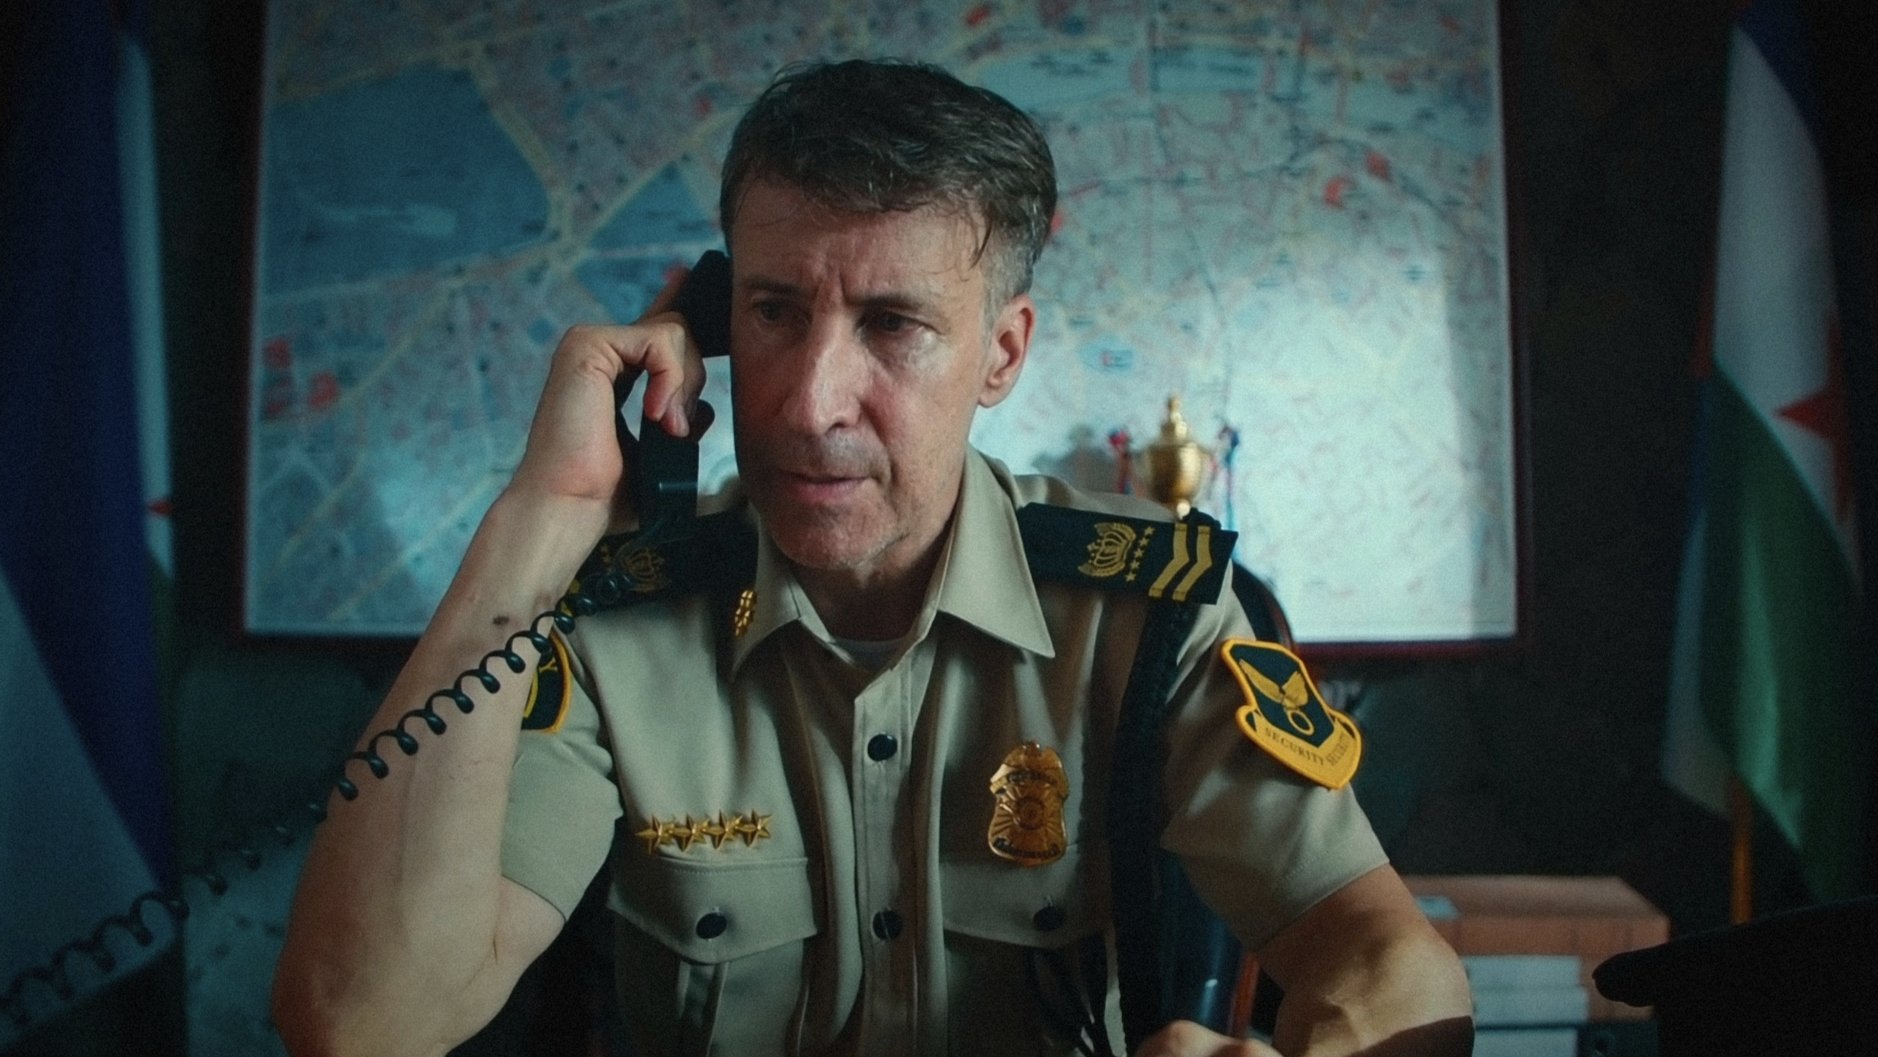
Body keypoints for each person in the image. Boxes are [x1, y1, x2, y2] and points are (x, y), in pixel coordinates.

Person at [271, 59, 1471, 1057]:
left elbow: (1389, 961)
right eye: (774, 311)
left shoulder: (1149, 612)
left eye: (893, 324)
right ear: (711, 319)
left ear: (1001, 355)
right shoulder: (614, 624)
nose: (809, 403)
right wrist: (544, 519)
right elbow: (360, 1021)